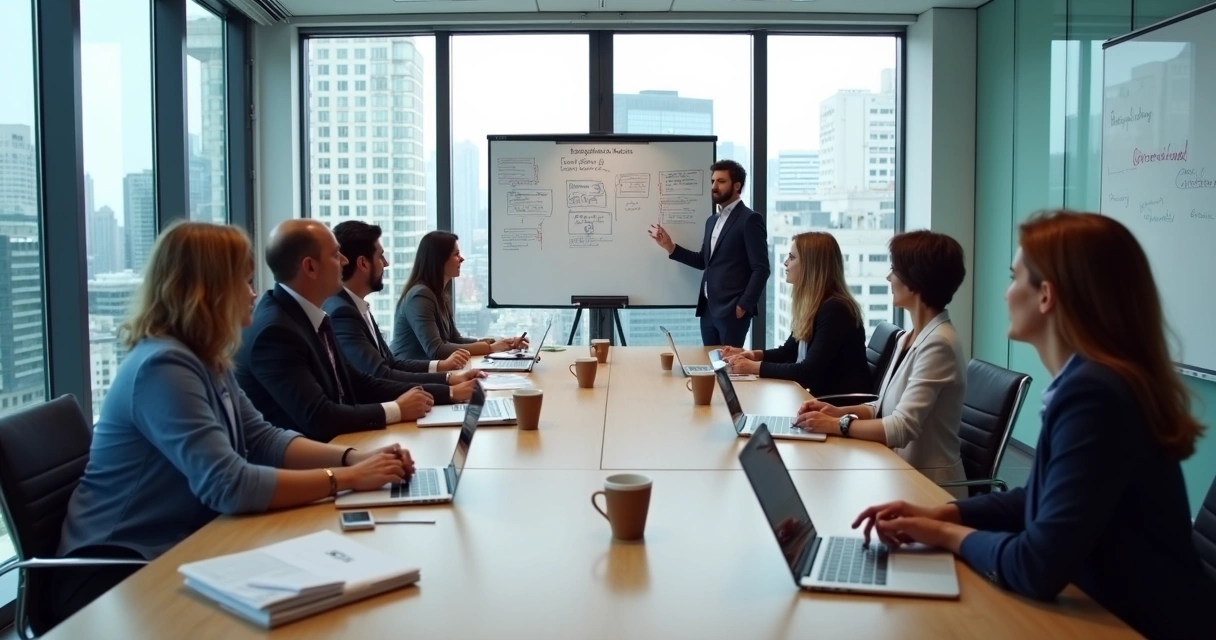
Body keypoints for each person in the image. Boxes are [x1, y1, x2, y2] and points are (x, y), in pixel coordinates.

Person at [850, 211, 1212, 640]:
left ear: (1046, 296)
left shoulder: (1095, 395)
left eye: (1014, 277)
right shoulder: (1090, 381)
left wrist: (942, 533)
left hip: (1137, 623)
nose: (1005, 294)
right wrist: (943, 511)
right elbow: (1039, 498)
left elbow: (1035, 566)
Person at [53, 221, 417, 624]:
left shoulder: (203, 357)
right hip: (117, 572)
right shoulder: (162, 367)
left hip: (183, 545)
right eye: (243, 281)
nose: (253, 293)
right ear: (206, 291)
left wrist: (352, 459)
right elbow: (229, 484)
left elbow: (263, 439)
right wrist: (347, 478)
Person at [235, 220, 473, 442]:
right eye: (335, 255)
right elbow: (319, 417)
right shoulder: (276, 332)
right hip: (305, 466)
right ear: (310, 267)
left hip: (336, 447)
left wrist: (448, 392)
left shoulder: (311, 316)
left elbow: (360, 382)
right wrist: (397, 409)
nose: (344, 262)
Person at [794, 230, 968, 495]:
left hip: (928, 488)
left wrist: (835, 426)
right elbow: (883, 407)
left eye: (894, 270)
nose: (888, 277)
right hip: (896, 471)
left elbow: (901, 427)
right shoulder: (909, 337)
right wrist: (836, 411)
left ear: (914, 280)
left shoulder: (939, 344)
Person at [324, 221, 485, 386]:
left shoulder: (357, 306)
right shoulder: (343, 312)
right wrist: (449, 388)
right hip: (390, 396)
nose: (386, 263)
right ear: (363, 263)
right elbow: (381, 374)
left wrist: (447, 376)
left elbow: (391, 362)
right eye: (381, 256)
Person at [720, 231, 869, 396]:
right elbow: (788, 352)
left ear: (810, 264)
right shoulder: (814, 304)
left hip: (835, 406)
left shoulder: (836, 309)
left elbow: (807, 371)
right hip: (812, 398)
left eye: (791, 257)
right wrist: (752, 355)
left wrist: (754, 367)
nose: (785, 263)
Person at [647, 159, 770, 347]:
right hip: (708, 310)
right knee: (710, 365)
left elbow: (761, 269)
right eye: (713, 181)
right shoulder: (712, 221)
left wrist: (743, 305)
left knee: (728, 368)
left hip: (732, 311)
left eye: (721, 181)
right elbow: (704, 261)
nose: (714, 186)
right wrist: (670, 247)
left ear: (737, 186)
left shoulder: (750, 220)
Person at [391, 230, 526, 360]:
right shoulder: (420, 296)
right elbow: (436, 350)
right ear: (439, 260)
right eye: (456, 254)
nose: (462, 259)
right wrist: (491, 348)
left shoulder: (438, 294)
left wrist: (499, 342)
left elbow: (455, 339)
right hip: (410, 376)